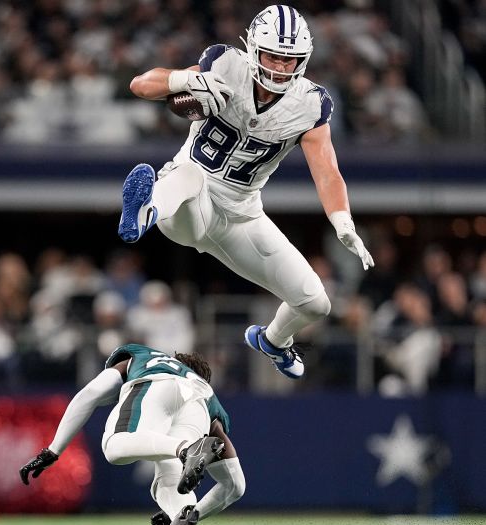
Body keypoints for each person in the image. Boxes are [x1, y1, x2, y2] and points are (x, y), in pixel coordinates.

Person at [118, 4, 374, 380]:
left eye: (290, 60)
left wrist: (342, 220)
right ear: (253, 49)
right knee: (190, 175)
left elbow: (327, 171)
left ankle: (273, 341)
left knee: (316, 302)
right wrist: (184, 81)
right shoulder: (225, 64)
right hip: (187, 203)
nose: (280, 67)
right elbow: (140, 84)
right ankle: (144, 211)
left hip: (243, 214)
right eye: (273, 55)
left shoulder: (310, 103)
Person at [19, 343, 245, 525]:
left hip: (157, 386)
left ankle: (186, 450)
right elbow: (235, 485)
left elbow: (90, 394)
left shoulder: (144, 358)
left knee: (114, 447)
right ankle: (182, 516)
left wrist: (53, 450)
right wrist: (183, 515)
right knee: (170, 482)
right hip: (199, 410)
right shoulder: (208, 395)